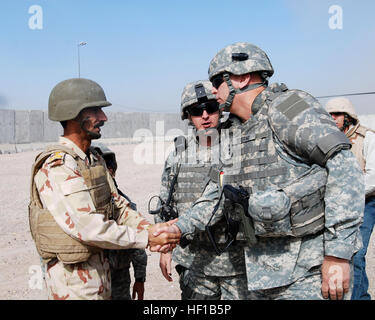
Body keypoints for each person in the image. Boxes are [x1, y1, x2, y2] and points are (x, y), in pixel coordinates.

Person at [164, 42, 364, 300]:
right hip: (263, 276)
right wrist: (178, 228)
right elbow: (218, 192)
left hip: (309, 274)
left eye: (217, 81)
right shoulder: (237, 131)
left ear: (242, 77)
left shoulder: (289, 108)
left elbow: (344, 168)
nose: (213, 91)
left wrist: (337, 255)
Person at [28, 78, 179, 300]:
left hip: (102, 279)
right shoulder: (58, 166)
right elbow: (89, 227)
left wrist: (151, 229)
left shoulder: (93, 159)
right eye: (96, 111)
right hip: (74, 287)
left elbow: (117, 206)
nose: (104, 117)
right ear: (73, 113)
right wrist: (146, 239)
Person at [153, 80, 249, 300]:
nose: (205, 115)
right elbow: (165, 202)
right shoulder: (179, 153)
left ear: (220, 110)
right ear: (188, 116)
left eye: (211, 108)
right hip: (195, 263)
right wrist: (166, 250)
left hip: (236, 263)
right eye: (197, 111)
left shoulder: (238, 146)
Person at [325, 97, 375, 300]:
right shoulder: (328, 139)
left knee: (357, 254)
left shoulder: (367, 138)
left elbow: (372, 176)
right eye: (329, 114)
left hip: (364, 203)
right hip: (335, 206)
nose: (332, 118)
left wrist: (346, 193)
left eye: (336, 114)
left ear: (348, 117)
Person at [94, 144, 147, 300]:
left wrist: (140, 279)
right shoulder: (80, 205)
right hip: (93, 277)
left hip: (119, 278)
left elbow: (138, 247)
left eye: (108, 169)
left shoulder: (124, 205)